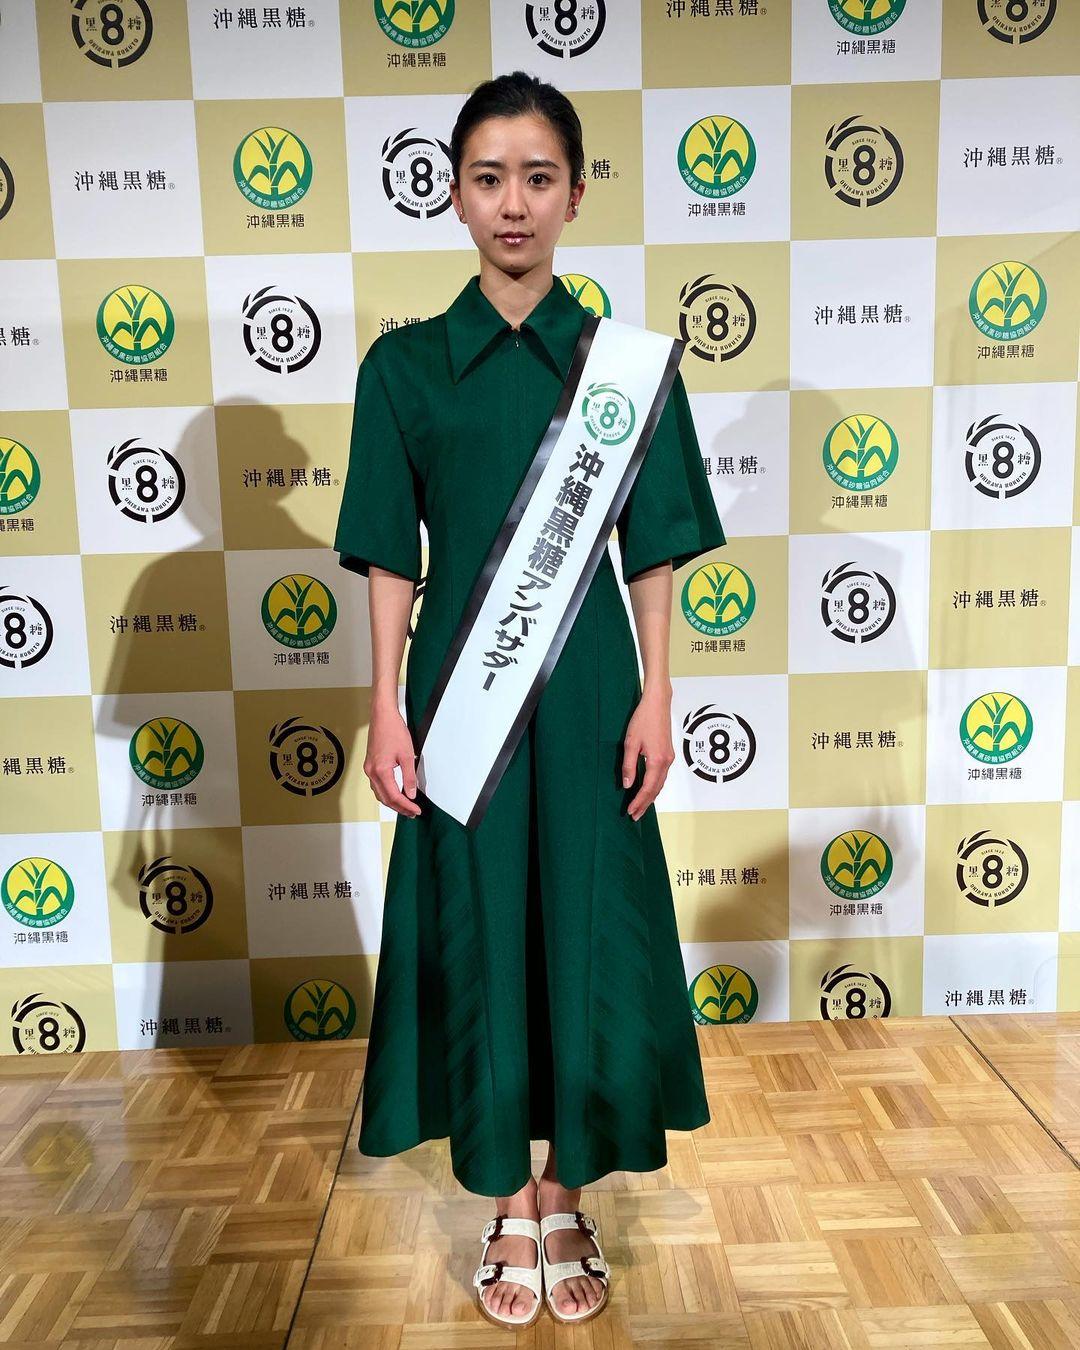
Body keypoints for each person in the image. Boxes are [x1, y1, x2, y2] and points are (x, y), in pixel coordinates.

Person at [334, 70, 727, 1328]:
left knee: (585, 928)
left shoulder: (626, 369)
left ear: (576, 194)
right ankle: (507, 1200)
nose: (515, 204)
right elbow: (390, 558)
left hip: (594, 689)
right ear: (455, 195)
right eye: (490, 178)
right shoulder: (403, 369)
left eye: (539, 178)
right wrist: (385, 704)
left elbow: (652, 549)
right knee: (482, 927)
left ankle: (568, 1193)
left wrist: (659, 693)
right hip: (461, 691)